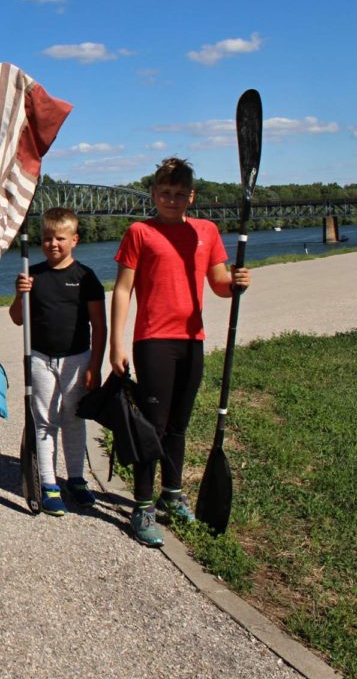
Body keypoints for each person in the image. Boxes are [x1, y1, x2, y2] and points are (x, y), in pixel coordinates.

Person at [110, 157, 251, 547]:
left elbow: (219, 283)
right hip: (153, 340)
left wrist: (237, 282)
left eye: (179, 194)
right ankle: (142, 506)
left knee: (178, 426)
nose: (171, 200)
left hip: (192, 340)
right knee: (151, 426)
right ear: (154, 194)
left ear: (191, 196)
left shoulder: (206, 231)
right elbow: (122, 289)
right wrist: (117, 343)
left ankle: (171, 494)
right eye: (165, 193)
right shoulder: (140, 232)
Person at [9, 207, 106, 515]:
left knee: (73, 418)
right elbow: (16, 319)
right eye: (48, 238)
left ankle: (76, 479)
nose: (53, 244)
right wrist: (19, 294)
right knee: (45, 420)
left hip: (77, 358)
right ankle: (49, 483)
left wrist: (95, 366)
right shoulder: (32, 275)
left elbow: (99, 325)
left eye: (60, 238)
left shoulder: (86, 277)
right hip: (40, 358)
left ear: (74, 240)